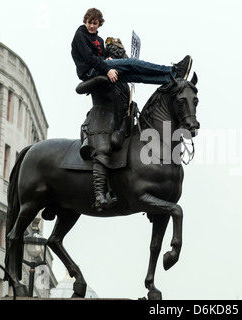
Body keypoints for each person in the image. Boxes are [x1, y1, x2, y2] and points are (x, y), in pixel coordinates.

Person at [71, 8, 192, 212]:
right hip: (94, 85)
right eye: (89, 22)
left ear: (100, 24)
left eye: (95, 23)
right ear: (86, 21)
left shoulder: (99, 40)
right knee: (134, 64)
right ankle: (100, 195)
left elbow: (100, 57)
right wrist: (106, 68)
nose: (92, 25)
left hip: (110, 93)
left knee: (137, 74)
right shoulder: (81, 35)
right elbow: (90, 60)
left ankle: (170, 78)